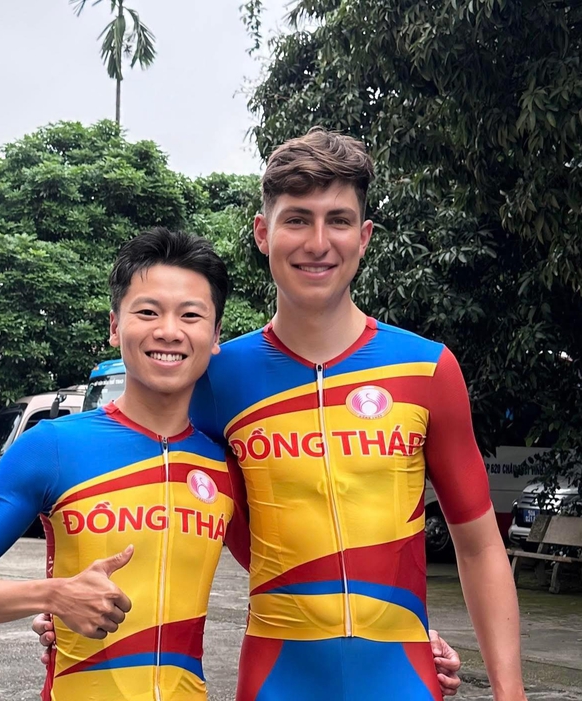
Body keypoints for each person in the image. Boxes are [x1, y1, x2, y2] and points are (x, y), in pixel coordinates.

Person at [187, 128, 527, 700]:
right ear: (263, 232)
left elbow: (479, 545)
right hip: (277, 675)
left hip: (401, 675)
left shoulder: (427, 369)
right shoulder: (217, 379)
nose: (318, 242)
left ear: (364, 236)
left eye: (338, 220)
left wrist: (509, 692)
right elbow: (165, 515)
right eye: (297, 220)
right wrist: (68, 608)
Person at [0, 228, 248, 700]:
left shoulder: (226, 463)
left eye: (190, 315)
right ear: (115, 326)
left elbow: (287, 575)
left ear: (214, 336)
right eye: (147, 312)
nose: (169, 331)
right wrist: (52, 595)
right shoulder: (53, 446)